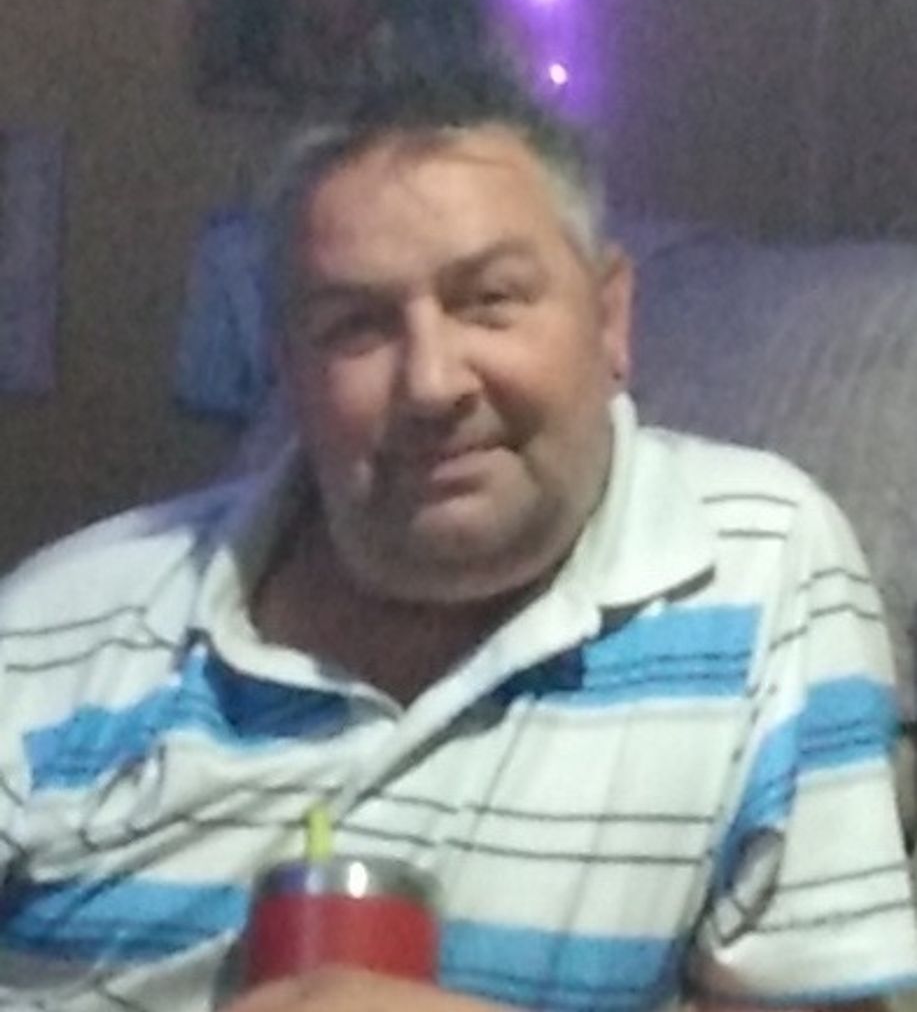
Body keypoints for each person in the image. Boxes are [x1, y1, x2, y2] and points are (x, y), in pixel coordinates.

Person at [1, 61, 916, 1012]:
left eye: (489, 301)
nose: (432, 384)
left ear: (609, 318)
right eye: (356, 327)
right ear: (289, 371)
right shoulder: (53, 630)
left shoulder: (753, 566)